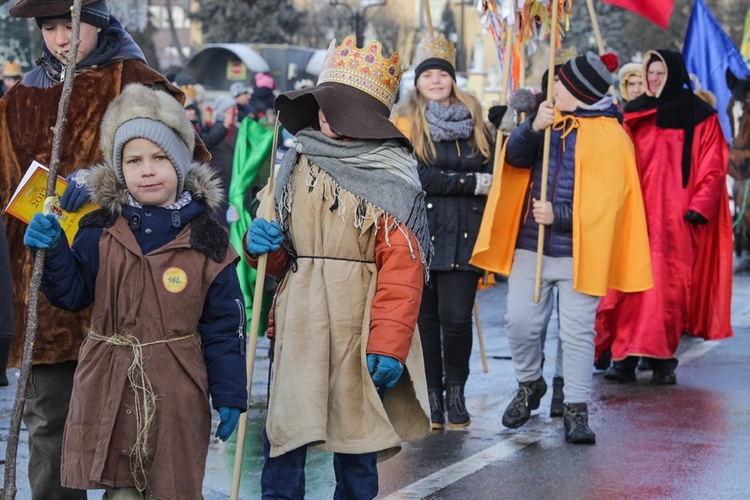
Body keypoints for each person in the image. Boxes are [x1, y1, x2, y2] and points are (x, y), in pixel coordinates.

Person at [0, 1, 208, 497]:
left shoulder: (138, 83)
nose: (60, 39)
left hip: (130, 293)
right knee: (50, 428)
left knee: (133, 428)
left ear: (97, 21)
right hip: (47, 296)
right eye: (48, 29)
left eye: (70, 25)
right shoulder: (19, 98)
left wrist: (104, 184)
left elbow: (190, 175)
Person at [22, 84, 247, 498]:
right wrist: (53, 250)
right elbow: (71, 294)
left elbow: (223, 325)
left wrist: (230, 390)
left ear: (178, 164)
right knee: (119, 489)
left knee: (172, 486)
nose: (147, 170)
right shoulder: (99, 229)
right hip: (110, 382)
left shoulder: (207, 239)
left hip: (176, 390)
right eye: (133, 160)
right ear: (118, 169)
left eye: (159, 158)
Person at [246, 35, 432, 499]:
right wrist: (260, 245)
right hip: (300, 320)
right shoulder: (293, 162)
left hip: (359, 323)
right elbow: (276, 259)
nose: (326, 115)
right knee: (286, 434)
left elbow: (402, 270)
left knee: (356, 441)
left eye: (340, 108)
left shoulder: (391, 173)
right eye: (324, 106)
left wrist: (389, 344)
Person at [471, 51, 653, 444]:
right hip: (530, 247)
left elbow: (612, 203)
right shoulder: (544, 120)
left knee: (577, 334)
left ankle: (576, 409)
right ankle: (529, 383)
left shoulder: (612, 134)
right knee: (519, 323)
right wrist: (532, 127)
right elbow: (515, 160)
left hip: (580, 253)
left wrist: (562, 215)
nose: (551, 86)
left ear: (575, 90)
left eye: (559, 82)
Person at [595, 50, 733, 385]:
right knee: (629, 284)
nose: (654, 79)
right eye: (649, 74)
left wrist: (699, 207)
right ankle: (625, 356)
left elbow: (713, 166)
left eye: (660, 73)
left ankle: (660, 356)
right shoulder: (633, 112)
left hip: (677, 219)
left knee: (667, 289)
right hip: (634, 214)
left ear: (672, 74)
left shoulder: (701, 115)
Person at [391, 32, 493, 430]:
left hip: (466, 233)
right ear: (417, 82)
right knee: (426, 320)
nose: (435, 81)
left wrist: (457, 179)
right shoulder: (404, 121)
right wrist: (468, 183)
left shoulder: (476, 121)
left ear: (453, 79)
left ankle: (456, 394)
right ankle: (432, 396)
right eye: (427, 75)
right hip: (421, 231)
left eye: (442, 75)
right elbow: (416, 175)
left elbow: (488, 167)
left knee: (456, 318)